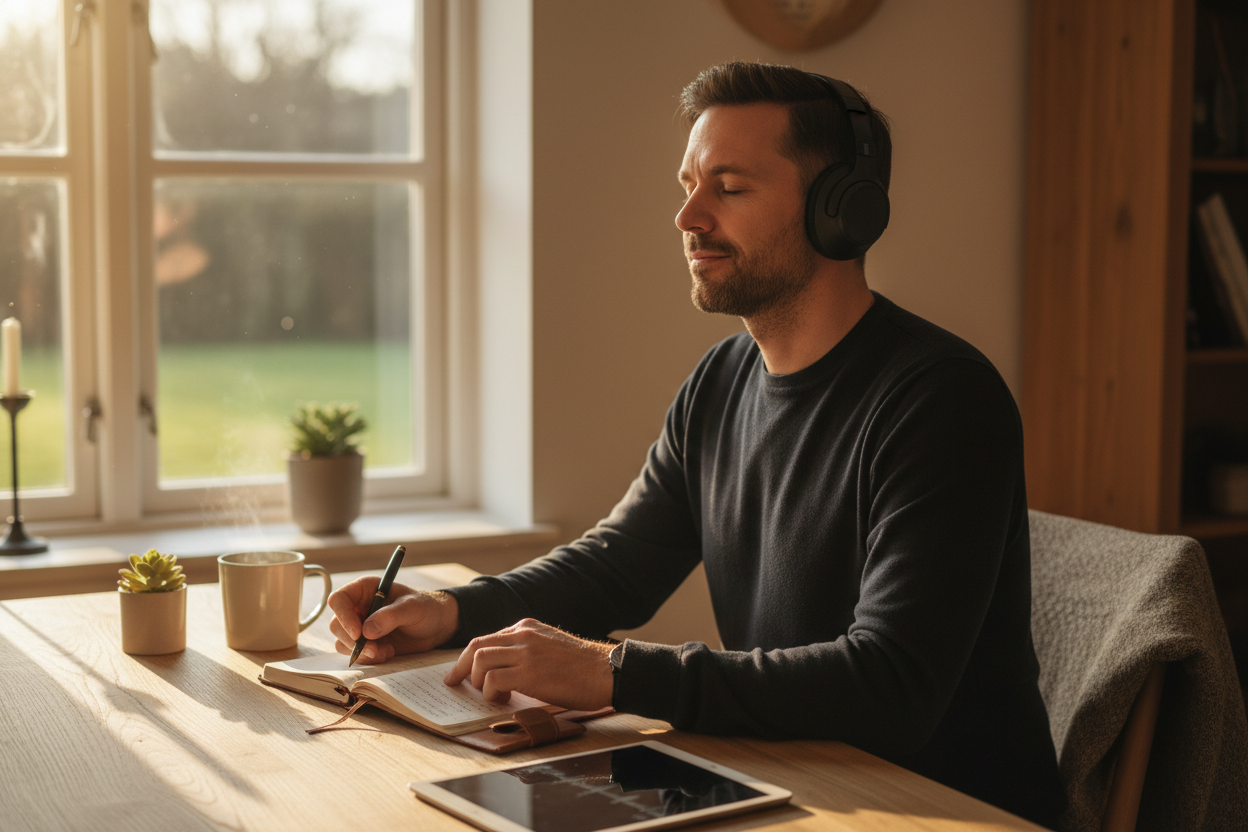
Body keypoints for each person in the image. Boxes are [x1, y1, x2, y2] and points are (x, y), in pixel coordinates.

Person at [327, 61, 1064, 826]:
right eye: (688, 185)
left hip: (940, 811)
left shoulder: (940, 399)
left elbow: (891, 686)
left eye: (730, 188)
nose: (688, 217)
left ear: (841, 209)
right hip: (801, 779)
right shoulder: (723, 380)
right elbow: (619, 567)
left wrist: (615, 673)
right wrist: (451, 611)